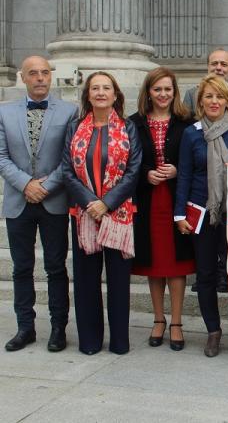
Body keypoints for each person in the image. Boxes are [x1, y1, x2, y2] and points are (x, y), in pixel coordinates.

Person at [174, 75, 228, 358]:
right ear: (200, 102)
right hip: (201, 213)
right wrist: (179, 214)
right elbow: (184, 174)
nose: (213, 101)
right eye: (208, 96)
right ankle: (213, 332)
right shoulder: (191, 133)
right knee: (207, 274)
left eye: (219, 96)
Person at [0, 56, 77, 352]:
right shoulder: (5, 113)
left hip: (53, 200)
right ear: (23, 77)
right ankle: (25, 327)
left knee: (56, 267)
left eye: (45, 72)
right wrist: (25, 184)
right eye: (34, 73)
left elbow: (69, 157)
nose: (41, 78)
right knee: (21, 268)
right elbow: (2, 156)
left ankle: (59, 327)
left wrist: (44, 186)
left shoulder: (70, 111)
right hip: (19, 200)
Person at [61, 72, 142, 355]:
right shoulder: (74, 128)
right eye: (95, 88)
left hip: (117, 213)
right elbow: (67, 171)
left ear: (116, 95)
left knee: (119, 281)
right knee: (85, 280)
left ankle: (120, 341)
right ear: (87, 95)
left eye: (106, 88)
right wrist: (89, 203)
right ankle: (90, 341)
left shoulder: (129, 128)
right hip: (84, 215)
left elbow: (133, 171)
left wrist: (106, 203)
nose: (100, 92)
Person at [130, 67, 195, 351]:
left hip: (176, 199)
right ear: (148, 92)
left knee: (175, 264)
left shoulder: (186, 122)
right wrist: (146, 173)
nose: (163, 94)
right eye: (157, 89)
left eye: (168, 89)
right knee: (154, 264)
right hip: (147, 200)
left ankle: (177, 322)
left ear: (175, 91)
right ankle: (158, 320)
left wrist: (177, 171)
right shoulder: (134, 123)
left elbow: (196, 161)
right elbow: (127, 161)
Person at [183, 49, 228, 122]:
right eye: (214, 64)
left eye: (224, 64)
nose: (218, 68)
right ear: (208, 67)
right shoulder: (191, 94)